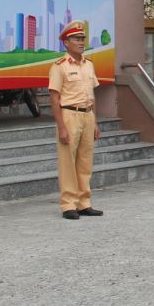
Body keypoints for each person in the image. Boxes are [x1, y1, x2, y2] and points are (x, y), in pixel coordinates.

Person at [48, 20, 101, 220]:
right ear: (66, 43)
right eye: (76, 39)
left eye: (82, 39)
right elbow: (54, 98)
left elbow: (92, 95)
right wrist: (61, 126)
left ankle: (84, 202)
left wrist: (95, 122)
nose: (81, 42)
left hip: (87, 115)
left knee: (85, 161)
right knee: (67, 162)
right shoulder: (59, 67)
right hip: (69, 114)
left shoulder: (89, 65)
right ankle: (68, 204)